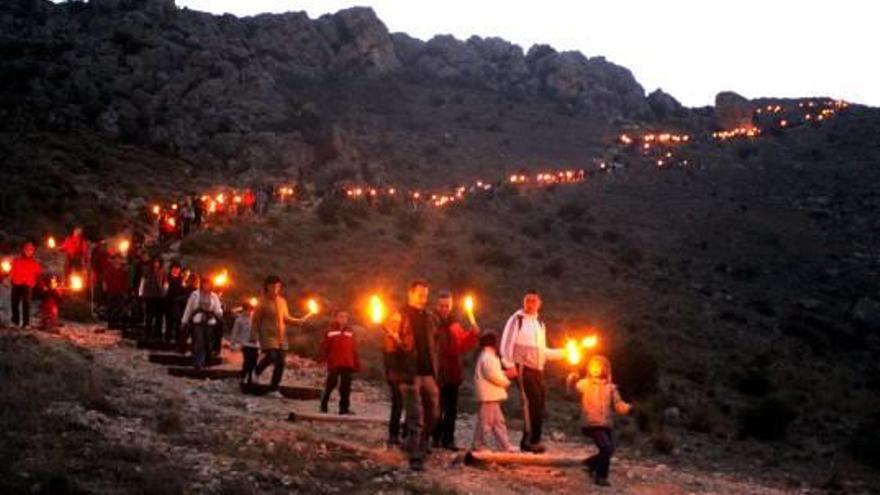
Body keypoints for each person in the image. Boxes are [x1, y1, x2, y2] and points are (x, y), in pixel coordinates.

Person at [499, 289, 565, 454]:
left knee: (540, 401)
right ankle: (528, 442)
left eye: (534, 301)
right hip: (522, 367)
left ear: (539, 303)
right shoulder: (517, 319)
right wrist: (508, 364)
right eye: (527, 300)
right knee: (530, 402)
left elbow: (542, 352)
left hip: (537, 369)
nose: (530, 304)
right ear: (524, 301)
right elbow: (506, 344)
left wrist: (565, 353)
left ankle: (535, 439)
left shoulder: (540, 324)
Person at [384, 279, 440, 472]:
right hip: (409, 373)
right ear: (410, 294)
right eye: (420, 294)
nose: (423, 298)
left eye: (426, 294)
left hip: (428, 373)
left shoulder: (429, 317)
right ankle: (415, 457)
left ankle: (419, 445)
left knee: (433, 412)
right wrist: (395, 373)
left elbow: (433, 344)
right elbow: (390, 347)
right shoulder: (399, 316)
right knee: (415, 416)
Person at [568, 355, 633, 487]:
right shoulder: (585, 384)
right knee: (606, 447)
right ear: (589, 368)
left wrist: (629, 408)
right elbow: (573, 391)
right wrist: (571, 380)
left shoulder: (611, 388)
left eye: (599, 366)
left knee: (609, 449)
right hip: (591, 423)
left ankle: (590, 464)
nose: (595, 368)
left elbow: (618, 404)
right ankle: (601, 477)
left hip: (606, 424)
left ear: (605, 368)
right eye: (593, 366)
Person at [432, 290, 478, 451]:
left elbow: (462, 346)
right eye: (442, 306)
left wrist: (473, 333)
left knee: (451, 409)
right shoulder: (431, 323)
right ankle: (434, 437)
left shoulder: (455, 326)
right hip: (437, 373)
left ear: (451, 306)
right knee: (436, 407)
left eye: (447, 306)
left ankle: (448, 439)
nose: (444, 308)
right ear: (437, 306)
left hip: (453, 373)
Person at [251, 275, 310, 398]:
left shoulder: (282, 301)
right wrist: (253, 335)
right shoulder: (262, 301)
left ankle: (274, 389)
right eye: (273, 286)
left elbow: (286, 318)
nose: (276, 288)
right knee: (271, 356)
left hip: (281, 336)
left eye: (278, 286)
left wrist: (297, 321)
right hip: (267, 335)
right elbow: (255, 321)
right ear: (267, 286)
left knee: (281, 363)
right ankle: (256, 371)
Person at [471, 331, 516, 452]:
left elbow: (494, 373)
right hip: (488, 396)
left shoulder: (487, 356)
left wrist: (503, 374)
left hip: (491, 395)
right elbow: (492, 375)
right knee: (485, 423)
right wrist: (506, 380)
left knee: (498, 423)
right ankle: (478, 445)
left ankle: (505, 446)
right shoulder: (488, 357)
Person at [319, 310, 360, 415]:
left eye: (345, 317)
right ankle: (323, 405)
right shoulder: (329, 331)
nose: (343, 319)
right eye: (341, 316)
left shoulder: (351, 332)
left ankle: (344, 408)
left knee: (345, 387)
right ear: (336, 318)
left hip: (347, 363)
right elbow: (324, 347)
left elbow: (354, 348)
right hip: (334, 362)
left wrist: (356, 363)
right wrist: (323, 360)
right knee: (330, 384)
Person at [180, 275, 223, 369]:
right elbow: (189, 308)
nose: (206, 286)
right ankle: (198, 363)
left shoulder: (214, 296)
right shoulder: (194, 295)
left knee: (207, 343)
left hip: (209, 321)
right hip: (198, 320)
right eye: (204, 284)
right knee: (199, 342)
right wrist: (184, 320)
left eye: (208, 284)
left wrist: (219, 314)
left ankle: (206, 362)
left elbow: (218, 309)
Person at [9, 242, 42, 328]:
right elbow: (11, 270)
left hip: (28, 285)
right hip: (16, 283)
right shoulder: (17, 260)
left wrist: (38, 284)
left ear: (33, 251)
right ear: (23, 250)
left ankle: (26, 323)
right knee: (14, 303)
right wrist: (10, 278)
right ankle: (15, 321)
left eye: (31, 250)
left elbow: (38, 274)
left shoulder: (35, 263)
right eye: (27, 250)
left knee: (26, 304)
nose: (29, 252)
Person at [138, 257, 167, 341]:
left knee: (159, 316)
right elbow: (143, 282)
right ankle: (147, 332)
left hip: (159, 296)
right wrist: (141, 294)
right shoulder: (147, 271)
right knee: (149, 315)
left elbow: (165, 282)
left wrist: (164, 292)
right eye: (155, 262)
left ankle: (157, 333)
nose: (156, 264)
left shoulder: (163, 271)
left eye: (157, 262)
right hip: (149, 295)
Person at [230, 300, 258, 384]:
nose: (249, 312)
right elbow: (235, 332)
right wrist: (233, 344)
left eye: (250, 310)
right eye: (247, 310)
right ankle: (244, 376)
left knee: (254, 361)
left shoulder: (255, 319)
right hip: (245, 344)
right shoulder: (239, 320)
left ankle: (250, 377)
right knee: (247, 360)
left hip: (255, 344)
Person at [103, 254, 130, 330]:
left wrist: (125, 290)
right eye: (116, 259)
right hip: (111, 291)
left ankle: (117, 323)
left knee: (119, 308)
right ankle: (111, 323)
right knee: (111, 308)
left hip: (120, 291)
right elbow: (106, 279)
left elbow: (125, 281)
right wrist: (106, 287)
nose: (117, 261)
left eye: (119, 259)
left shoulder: (123, 271)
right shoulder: (109, 270)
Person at [164, 261, 188, 344]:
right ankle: (168, 336)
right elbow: (165, 288)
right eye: (175, 268)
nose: (176, 270)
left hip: (178, 302)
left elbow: (184, 289)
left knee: (177, 320)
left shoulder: (181, 279)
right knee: (169, 320)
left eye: (178, 269)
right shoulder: (168, 277)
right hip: (168, 300)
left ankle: (176, 338)